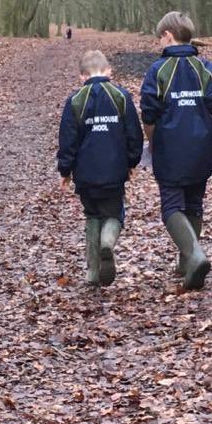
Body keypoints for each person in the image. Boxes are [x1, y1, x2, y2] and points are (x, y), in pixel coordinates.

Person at [140, 11, 212, 292]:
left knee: (171, 206)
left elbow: (149, 114)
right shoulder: (206, 69)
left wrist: (150, 143)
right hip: (201, 148)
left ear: (168, 36)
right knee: (194, 203)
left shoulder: (158, 71)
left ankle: (194, 255)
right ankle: (186, 263)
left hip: (170, 149)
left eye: (160, 38)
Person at [57, 49, 143, 287]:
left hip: (85, 174)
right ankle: (107, 242)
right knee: (114, 214)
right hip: (114, 171)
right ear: (109, 72)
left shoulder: (75, 101)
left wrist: (65, 171)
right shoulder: (121, 96)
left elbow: (67, 141)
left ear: (82, 76)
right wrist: (132, 162)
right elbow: (133, 134)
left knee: (92, 215)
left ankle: (93, 273)